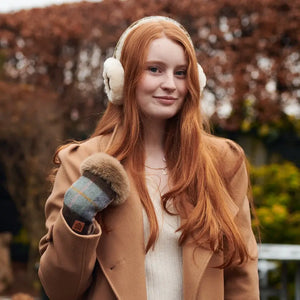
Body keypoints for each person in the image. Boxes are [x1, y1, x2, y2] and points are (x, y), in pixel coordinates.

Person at [38, 16, 260, 300]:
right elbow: (60, 290)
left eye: (181, 73)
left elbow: (241, 274)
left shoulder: (224, 162)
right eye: (154, 69)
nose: (170, 84)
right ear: (121, 78)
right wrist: (76, 218)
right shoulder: (84, 162)